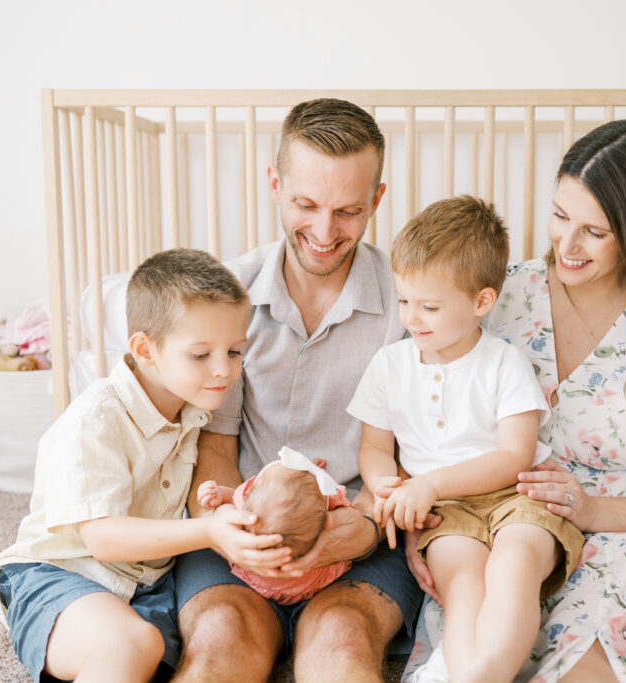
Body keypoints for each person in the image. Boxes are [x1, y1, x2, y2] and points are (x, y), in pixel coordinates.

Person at [404, 120, 626, 683]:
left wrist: (592, 510)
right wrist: (422, 526)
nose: (566, 246)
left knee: (586, 668)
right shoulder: (498, 300)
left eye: (594, 232)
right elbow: (422, 411)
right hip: (498, 526)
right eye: (560, 216)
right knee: (468, 655)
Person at [173, 98, 421, 682]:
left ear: (377, 201)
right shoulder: (228, 293)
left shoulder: (408, 304)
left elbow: (419, 450)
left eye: (349, 211)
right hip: (243, 523)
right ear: (275, 184)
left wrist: (362, 526)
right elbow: (215, 443)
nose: (325, 233)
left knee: (341, 640)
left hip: (363, 528)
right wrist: (236, 534)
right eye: (306, 205)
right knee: (219, 641)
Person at [0, 248, 253, 682]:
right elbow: (103, 538)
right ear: (145, 349)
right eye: (201, 355)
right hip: (60, 573)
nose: (224, 370)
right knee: (132, 644)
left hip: (145, 587)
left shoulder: (192, 409)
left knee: (163, 653)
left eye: (236, 351)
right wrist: (206, 530)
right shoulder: (97, 417)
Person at [348, 196, 584, 683]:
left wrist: (429, 483)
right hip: (446, 511)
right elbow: (375, 447)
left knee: (513, 566)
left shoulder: (503, 363)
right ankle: (466, 672)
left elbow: (514, 456)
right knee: (462, 585)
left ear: (481, 302)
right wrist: (387, 485)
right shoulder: (389, 366)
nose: (412, 317)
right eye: (405, 301)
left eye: (429, 306)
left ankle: (485, 674)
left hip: (515, 495)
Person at [196, 446, 356, 605]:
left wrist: (220, 494)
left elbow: (237, 498)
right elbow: (341, 510)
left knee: (230, 513)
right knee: (340, 547)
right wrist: (316, 482)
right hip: (310, 582)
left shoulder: (253, 509)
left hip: (257, 579)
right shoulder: (326, 502)